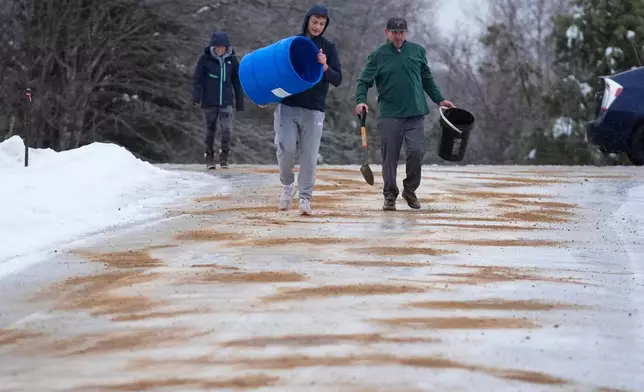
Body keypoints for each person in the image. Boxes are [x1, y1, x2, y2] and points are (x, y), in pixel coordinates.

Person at [355, 17, 455, 211]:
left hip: (415, 113)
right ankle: (390, 195)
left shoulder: (417, 51)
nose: (398, 36)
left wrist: (439, 99)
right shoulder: (378, 55)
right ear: (387, 32)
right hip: (389, 114)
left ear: (406, 33)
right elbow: (363, 81)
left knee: (416, 152)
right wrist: (360, 100)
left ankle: (410, 190)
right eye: (394, 32)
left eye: (401, 32)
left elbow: (427, 79)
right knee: (389, 157)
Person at [269, 4, 342, 215]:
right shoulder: (293, 44)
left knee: (309, 156)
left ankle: (305, 198)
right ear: (307, 20)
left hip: (314, 109)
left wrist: (325, 66)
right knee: (285, 149)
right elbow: (276, 73)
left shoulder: (328, 48)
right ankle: (287, 185)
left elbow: (338, 79)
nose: (318, 26)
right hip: (288, 106)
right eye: (315, 22)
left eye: (322, 23)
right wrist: (266, 95)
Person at [192, 31, 244, 169]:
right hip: (209, 100)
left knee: (227, 129)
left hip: (226, 101)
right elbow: (197, 79)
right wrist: (196, 96)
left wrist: (239, 101)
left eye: (223, 47)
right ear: (213, 47)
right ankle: (209, 157)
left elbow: (236, 81)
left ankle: (224, 156)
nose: (220, 49)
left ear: (227, 47)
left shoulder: (231, 60)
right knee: (210, 130)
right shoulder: (205, 59)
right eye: (217, 46)